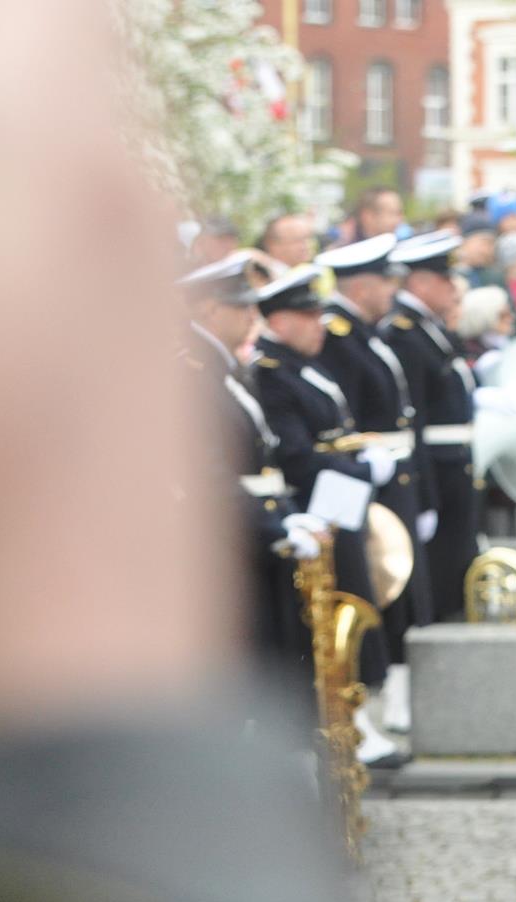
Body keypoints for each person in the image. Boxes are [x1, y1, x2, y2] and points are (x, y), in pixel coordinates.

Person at [250, 266, 402, 768]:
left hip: (338, 503)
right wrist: (360, 469)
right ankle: (346, 718)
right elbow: (297, 454)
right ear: (279, 321)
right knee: (332, 613)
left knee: (355, 603)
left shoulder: (302, 365)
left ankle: (355, 713)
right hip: (313, 506)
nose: (320, 325)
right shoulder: (271, 372)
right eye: (308, 316)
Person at [177, 253, 322, 728]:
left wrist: (285, 514)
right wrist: (273, 526)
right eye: (241, 307)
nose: (252, 317)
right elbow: (210, 478)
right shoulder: (194, 373)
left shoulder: (219, 367)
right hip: (232, 540)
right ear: (209, 310)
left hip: (255, 529)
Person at [314, 235, 434, 678]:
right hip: (369, 480)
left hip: (393, 475)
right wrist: (367, 462)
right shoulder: (338, 337)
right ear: (362, 287)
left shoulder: (365, 333)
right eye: (385, 282)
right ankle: (378, 685)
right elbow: (346, 417)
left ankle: (398, 685)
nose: (392, 291)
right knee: (380, 586)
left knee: (402, 588)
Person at [380, 232, 482, 622]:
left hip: (454, 461)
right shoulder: (404, 332)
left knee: (458, 562)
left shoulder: (427, 328)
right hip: (437, 467)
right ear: (420, 282)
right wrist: (425, 493)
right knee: (442, 573)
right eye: (445, 279)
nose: (453, 287)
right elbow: (416, 417)